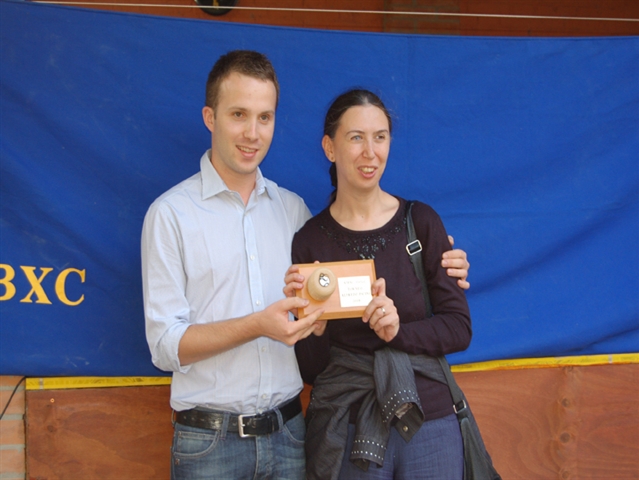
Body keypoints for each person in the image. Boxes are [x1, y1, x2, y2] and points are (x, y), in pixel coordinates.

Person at [142, 51, 470, 480]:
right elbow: (164, 346)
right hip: (210, 440)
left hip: (289, 434)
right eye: (239, 114)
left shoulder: (292, 212)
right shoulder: (171, 215)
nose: (252, 132)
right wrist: (261, 325)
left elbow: (326, 323)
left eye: (264, 117)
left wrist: (442, 259)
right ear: (210, 117)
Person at [289, 89, 471, 480]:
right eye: (356, 137)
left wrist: (398, 332)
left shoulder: (420, 223)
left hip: (429, 418)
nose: (370, 152)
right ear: (330, 147)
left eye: (380, 137)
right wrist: (316, 329)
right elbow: (312, 370)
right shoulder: (310, 241)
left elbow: (459, 328)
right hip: (348, 424)